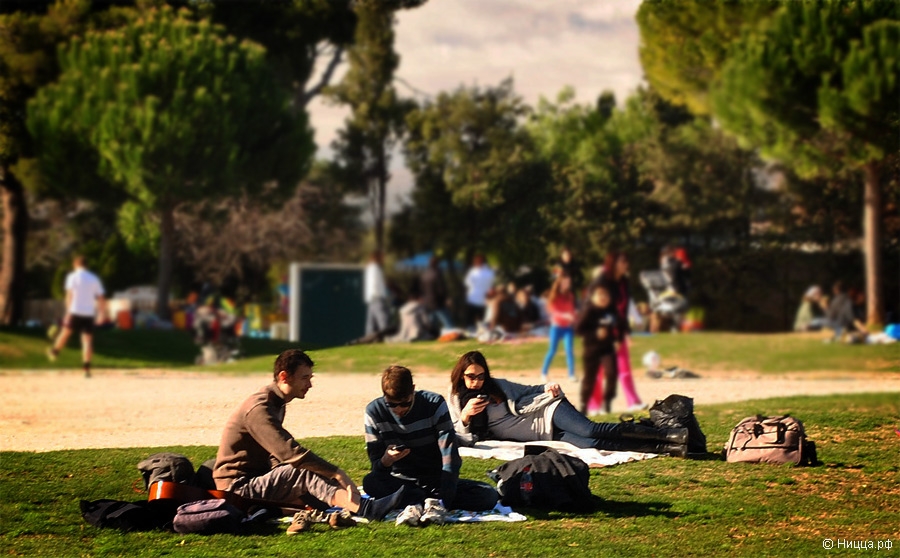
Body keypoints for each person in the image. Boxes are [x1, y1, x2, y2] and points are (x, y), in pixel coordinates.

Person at [212, 349, 405, 520]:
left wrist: (295, 474)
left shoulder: (276, 403)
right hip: (237, 488)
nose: (310, 384)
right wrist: (337, 473)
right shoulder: (259, 409)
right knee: (302, 471)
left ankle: (280, 508)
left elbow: (275, 455)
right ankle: (367, 509)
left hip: (258, 479)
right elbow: (289, 453)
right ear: (284, 376)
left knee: (314, 482)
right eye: (305, 378)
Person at [446, 351, 688, 457]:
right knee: (590, 444)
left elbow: (531, 389)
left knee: (590, 430)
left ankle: (669, 434)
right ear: (461, 375)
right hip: (546, 434)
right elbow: (461, 437)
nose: (477, 382)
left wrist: (548, 387)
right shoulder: (456, 399)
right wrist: (466, 417)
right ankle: (665, 448)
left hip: (549, 412)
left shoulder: (498, 386)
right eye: (471, 376)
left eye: (481, 376)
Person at [363, 365, 498, 522]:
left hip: (435, 478)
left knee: (488, 495)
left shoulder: (434, 404)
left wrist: (446, 495)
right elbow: (376, 467)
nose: (398, 409)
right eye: (392, 404)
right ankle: (421, 500)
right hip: (401, 481)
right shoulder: (374, 411)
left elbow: (450, 455)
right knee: (370, 482)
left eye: (405, 403)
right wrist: (387, 460)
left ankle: (422, 502)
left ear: (413, 390)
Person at [593, 251, 645, 412]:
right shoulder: (603, 281)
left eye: (626, 262)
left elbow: (625, 307)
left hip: (618, 329)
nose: (625, 265)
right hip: (602, 329)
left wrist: (627, 330)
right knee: (599, 370)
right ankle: (594, 405)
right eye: (622, 262)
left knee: (624, 367)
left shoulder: (624, 282)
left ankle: (633, 401)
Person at [47, 255, 107, 378]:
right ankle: (86, 368)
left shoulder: (72, 277)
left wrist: (67, 312)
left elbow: (69, 295)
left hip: (75, 311)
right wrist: (102, 313)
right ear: (87, 265)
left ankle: (54, 351)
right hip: (88, 313)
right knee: (87, 341)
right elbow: (101, 297)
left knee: (65, 333)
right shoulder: (94, 278)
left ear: (75, 265)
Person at [575, 283, 623, 415]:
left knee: (612, 373)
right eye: (599, 294)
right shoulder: (589, 311)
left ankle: (607, 402)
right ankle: (584, 405)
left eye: (605, 294)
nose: (603, 297)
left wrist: (618, 339)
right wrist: (594, 333)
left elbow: (621, 325)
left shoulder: (611, 310)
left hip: (607, 348)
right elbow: (578, 330)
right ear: (593, 297)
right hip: (592, 349)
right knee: (590, 378)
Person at [539, 272, 577, 383]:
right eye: (565, 282)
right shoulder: (554, 295)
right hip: (556, 327)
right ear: (560, 283)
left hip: (567, 328)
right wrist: (565, 315)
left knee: (569, 350)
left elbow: (571, 310)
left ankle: (571, 374)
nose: (567, 285)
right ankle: (544, 373)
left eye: (568, 283)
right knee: (552, 350)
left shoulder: (570, 295)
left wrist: (573, 315)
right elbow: (553, 312)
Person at [419, 255, 453, 330]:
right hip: (438, 302)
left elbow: (421, 289)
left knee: (432, 322)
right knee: (448, 322)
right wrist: (446, 299)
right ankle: (452, 333)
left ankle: (431, 333)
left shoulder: (424, 274)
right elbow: (441, 289)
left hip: (427, 301)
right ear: (437, 263)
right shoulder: (437, 273)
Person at [364, 251, 390, 339]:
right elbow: (375, 284)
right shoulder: (375, 268)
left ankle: (368, 339)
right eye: (382, 257)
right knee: (383, 320)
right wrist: (381, 295)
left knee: (371, 323)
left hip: (371, 298)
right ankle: (387, 338)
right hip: (377, 298)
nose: (384, 259)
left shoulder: (370, 268)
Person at [464, 254, 495, 328]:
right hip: (484, 298)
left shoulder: (473, 271)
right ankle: (482, 329)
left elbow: (467, 282)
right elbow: (491, 284)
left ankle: (471, 328)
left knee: (471, 318)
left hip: (473, 297)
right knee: (482, 318)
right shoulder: (490, 272)